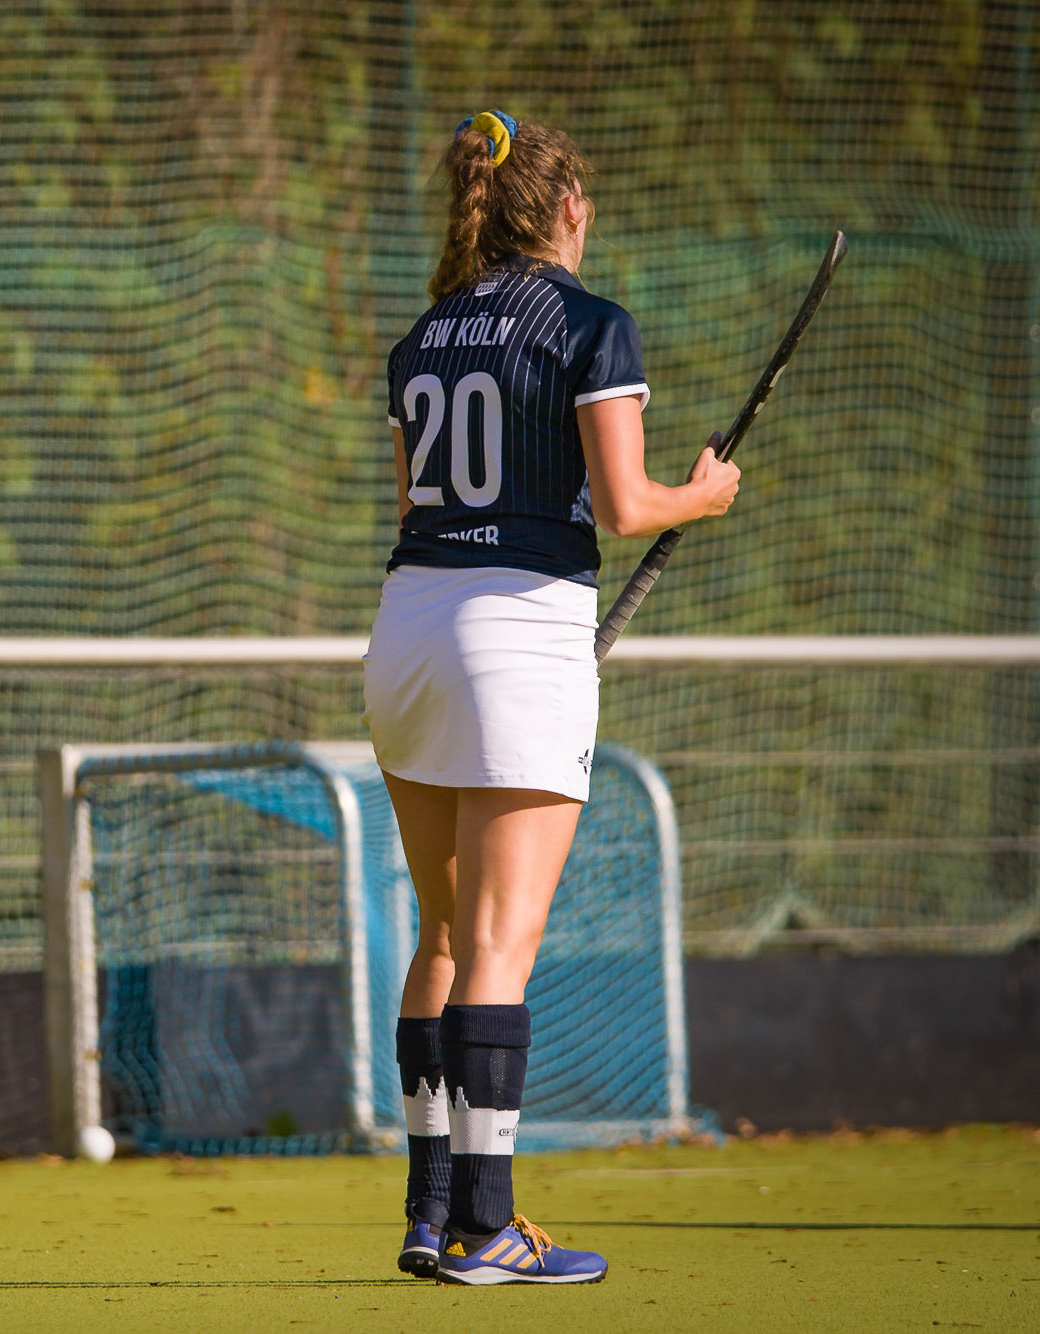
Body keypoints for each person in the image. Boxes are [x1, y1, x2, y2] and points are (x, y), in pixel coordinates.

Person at [364, 111, 739, 1285]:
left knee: (439, 932)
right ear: (568, 207)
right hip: (513, 636)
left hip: (406, 633)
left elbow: (415, 509)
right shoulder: (588, 323)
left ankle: (430, 1214)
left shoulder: (421, 335)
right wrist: (702, 494)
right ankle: (487, 1227)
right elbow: (624, 505)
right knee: (496, 942)